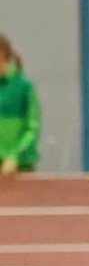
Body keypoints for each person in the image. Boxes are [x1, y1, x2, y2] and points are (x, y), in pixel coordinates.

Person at [0, 34, 40, 175]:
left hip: (20, 167)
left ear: (4, 57)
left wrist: (15, 156)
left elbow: (32, 127)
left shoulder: (24, 88)